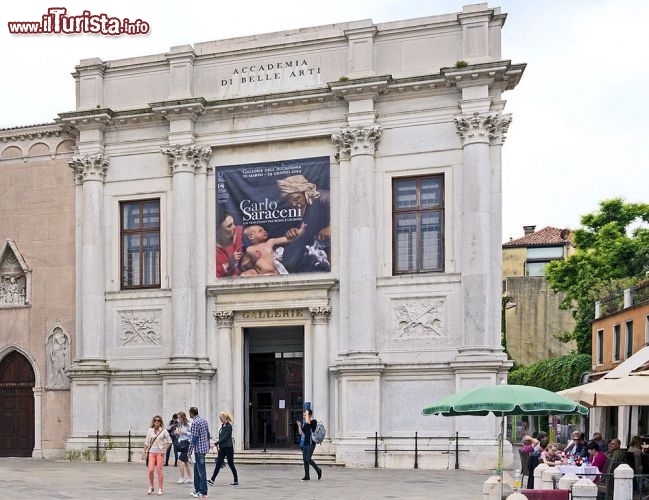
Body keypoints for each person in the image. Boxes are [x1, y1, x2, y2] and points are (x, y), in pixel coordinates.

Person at [276, 174, 331, 273]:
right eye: (289, 201)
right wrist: (294, 232)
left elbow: (346, 212)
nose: (293, 204)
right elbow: (305, 228)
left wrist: (333, 228)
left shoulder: (325, 198)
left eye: (296, 198)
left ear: (305, 192)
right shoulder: (300, 208)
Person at [239, 223, 305, 276]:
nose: (264, 231)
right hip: (264, 274)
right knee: (246, 275)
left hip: (276, 271)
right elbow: (243, 265)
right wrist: (253, 259)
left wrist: (299, 232)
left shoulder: (270, 242)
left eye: (264, 229)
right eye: (260, 231)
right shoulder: (250, 249)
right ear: (251, 236)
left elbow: (286, 239)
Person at [207, 411, 239, 486]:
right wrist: (218, 446)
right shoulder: (222, 426)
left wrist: (215, 443)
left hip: (228, 448)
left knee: (231, 464)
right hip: (222, 448)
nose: (220, 419)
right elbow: (221, 437)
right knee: (218, 464)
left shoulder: (229, 426)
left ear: (225, 418)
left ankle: (236, 480)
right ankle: (212, 479)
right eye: (219, 418)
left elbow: (225, 438)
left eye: (221, 418)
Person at [143, 415, 172, 496]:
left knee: (159, 470)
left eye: (158, 421)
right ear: (153, 422)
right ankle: (151, 486)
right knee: (151, 470)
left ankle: (160, 488)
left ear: (160, 422)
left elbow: (169, 441)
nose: (157, 422)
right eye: (155, 420)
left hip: (160, 453)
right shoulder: (150, 430)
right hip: (151, 452)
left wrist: (165, 449)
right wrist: (144, 452)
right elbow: (146, 442)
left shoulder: (164, 431)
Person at [189, 406, 210, 499]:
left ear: (191, 413)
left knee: (201, 471)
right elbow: (208, 434)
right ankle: (197, 490)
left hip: (199, 449)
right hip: (204, 448)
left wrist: (189, 451)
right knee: (196, 470)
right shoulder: (204, 420)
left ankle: (203, 492)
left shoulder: (195, 423)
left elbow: (194, 438)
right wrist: (208, 444)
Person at [295, 408, 322, 481]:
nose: (304, 416)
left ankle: (318, 470)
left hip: (311, 443)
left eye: (305, 415)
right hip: (305, 444)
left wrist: (307, 413)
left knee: (308, 458)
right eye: (304, 415)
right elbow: (301, 433)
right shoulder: (305, 423)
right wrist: (299, 426)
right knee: (305, 460)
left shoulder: (313, 422)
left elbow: (307, 421)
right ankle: (307, 476)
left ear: (309, 415)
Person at [216, 211, 243, 277]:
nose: (234, 227)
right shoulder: (212, 248)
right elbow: (210, 274)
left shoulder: (240, 231)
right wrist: (228, 263)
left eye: (233, 223)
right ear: (218, 231)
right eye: (229, 226)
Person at [174, 411, 193, 484]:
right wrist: (176, 433)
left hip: (187, 443)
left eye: (179, 417)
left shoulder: (188, 425)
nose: (179, 419)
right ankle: (190, 477)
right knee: (186, 462)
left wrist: (184, 433)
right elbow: (179, 435)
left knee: (180, 461)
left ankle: (182, 477)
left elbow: (192, 433)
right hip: (181, 443)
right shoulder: (180, 425)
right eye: (178, 417)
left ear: (183, 417)